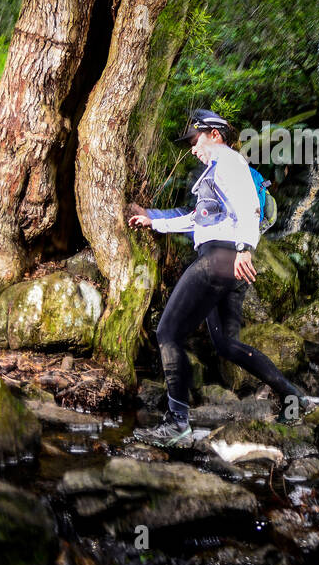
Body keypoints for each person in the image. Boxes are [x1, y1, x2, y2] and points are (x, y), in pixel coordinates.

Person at [128, 109, 307, 446]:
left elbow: (248, 205)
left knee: (167, 332)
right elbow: (198, 219)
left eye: (195, 140)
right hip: (227, 264)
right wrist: (154, 221)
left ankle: (177, 422)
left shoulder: (227, 161)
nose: (192, 148)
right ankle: (293, 398)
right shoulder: (213, 173)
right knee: (226, 344)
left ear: (214, 134)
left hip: (222, 259)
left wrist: (245, 248)